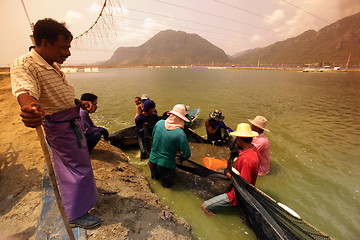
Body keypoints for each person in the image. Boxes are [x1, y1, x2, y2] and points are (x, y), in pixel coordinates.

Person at [10, 18, 100, 228]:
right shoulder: (25, 64)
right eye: (64, 47)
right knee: (74, 168)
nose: (68, 53)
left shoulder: (52, 64)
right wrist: (29, 107)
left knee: (79, 165)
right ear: (44, 43)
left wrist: (79, 103)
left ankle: (84, 199)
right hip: (60, 126)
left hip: (71, 121)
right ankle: (76, 214)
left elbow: (59, 94)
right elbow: (25, 91)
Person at [201, 123, 259, 215]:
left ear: (239, 139)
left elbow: (243, 184)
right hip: (242, 189)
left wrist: (230, 175)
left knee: (205, 206)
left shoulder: (247, 159)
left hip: (237, 195)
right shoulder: (253, 150)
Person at [148, 104, 191, 188]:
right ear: (181, 118)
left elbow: (153, 136)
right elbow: (187, 154)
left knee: (155, 181)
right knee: (168, 187)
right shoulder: (180, 134)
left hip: (152, 160)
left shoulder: (159, 123)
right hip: (166, 166)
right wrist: (182, 158)